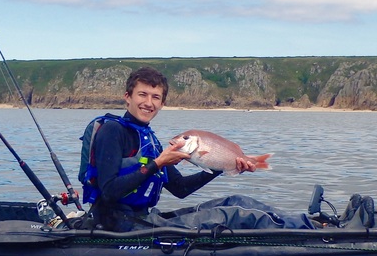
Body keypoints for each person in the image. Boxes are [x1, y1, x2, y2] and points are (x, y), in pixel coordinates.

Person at [81, 66, 261, 232]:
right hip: (115, 224)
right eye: (142, 94)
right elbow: (109, 191)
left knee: (237, 203)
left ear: (162, 103)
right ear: (128, 97)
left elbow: (180, 188)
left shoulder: (150, 141)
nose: (148, 103)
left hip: (143, 218)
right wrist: (157, 164)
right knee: (230, 216)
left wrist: (219, 167)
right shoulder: (112, 130)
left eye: (155, 97)